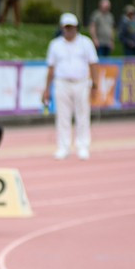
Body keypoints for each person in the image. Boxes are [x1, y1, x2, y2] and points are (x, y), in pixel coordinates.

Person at [41, 12, 99, 160]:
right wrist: (46, 89)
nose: (69, 30)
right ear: (62, 28)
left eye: (72, 27)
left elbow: (93, 64)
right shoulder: (55, 45)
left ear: (76, 27)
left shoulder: (86, 42)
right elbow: (51, 68)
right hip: (62, 83)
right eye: (66, 27)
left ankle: (83, 146)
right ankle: (63, 147)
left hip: (81, 82)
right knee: (62, 116)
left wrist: (95, 85)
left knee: (83, 115)